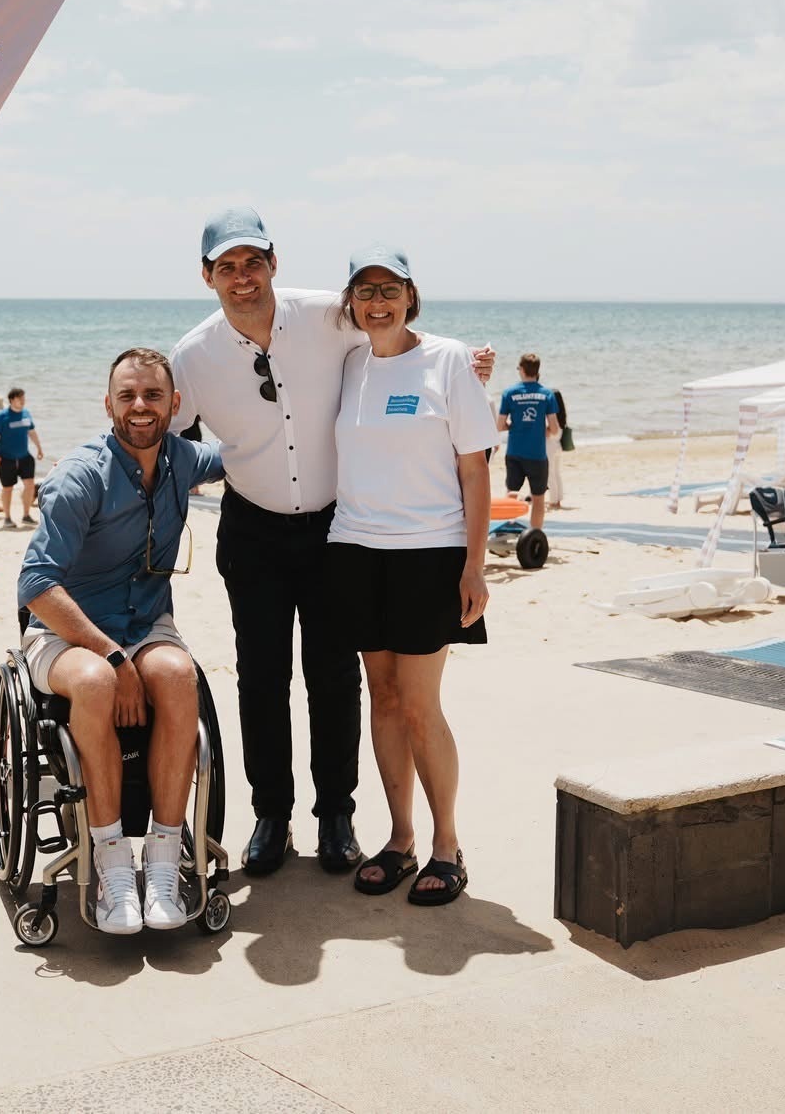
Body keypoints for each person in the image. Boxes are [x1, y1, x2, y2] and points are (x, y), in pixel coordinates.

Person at [170, 207, 494, 878]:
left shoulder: (326, 313)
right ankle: (271, 816)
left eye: (252, 262)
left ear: (273, 263)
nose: (242, 277)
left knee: (336, 678)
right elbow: (165, 439)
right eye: (226, 267)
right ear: (206, 275)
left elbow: (397, 331)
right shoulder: (191, 357)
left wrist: (464, 362)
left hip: (332, 531)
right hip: (252, 528)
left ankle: (338, 816)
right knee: (261, 677)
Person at [16, 349, 225, 933]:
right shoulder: (79, 476)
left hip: (148, 626)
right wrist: (111, 653)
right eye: (127, 396)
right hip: (68, 631)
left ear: (175, 405)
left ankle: (161, 860)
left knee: (180, 676)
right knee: (95, 679)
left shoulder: (186, 459)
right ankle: (110, 865)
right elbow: (35, 584)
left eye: (153, 396)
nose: (140, 407)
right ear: (107, 403)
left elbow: (256, 449)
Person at [324, 246, 495, 907]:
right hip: (355, 548)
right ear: (351, 302)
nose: (377, 301)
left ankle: (446, 846)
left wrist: (474, 563)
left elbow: (475, 469)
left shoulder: (448, 359)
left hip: (430, 552)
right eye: (365, 290)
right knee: (385, 699)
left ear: (410, 294)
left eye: (389, 288)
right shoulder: (349, 365)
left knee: (422, 705)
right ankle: (398, 839)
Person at [496, 353, 562, 530]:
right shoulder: (546, 394)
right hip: (537, 454)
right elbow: (555, 429)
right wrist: (542, 431)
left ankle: (506, 529)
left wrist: (514, 427)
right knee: (538, 498)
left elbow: (500, 425)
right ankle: (535, 535)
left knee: (511, 493)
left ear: (522, 370)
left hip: (515, 452)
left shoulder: (510, 393)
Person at [0, 388, 44, 528]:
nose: (23, 401)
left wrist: (39, 447)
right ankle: (7, 518)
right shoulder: (2, 416)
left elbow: (31, 432)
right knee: (7, 488)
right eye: (20, 398)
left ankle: (26, 515)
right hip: (6, 459)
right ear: (12, 400)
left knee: (29, 485)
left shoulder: (26, 414)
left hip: (25, 457)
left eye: (24, 398)